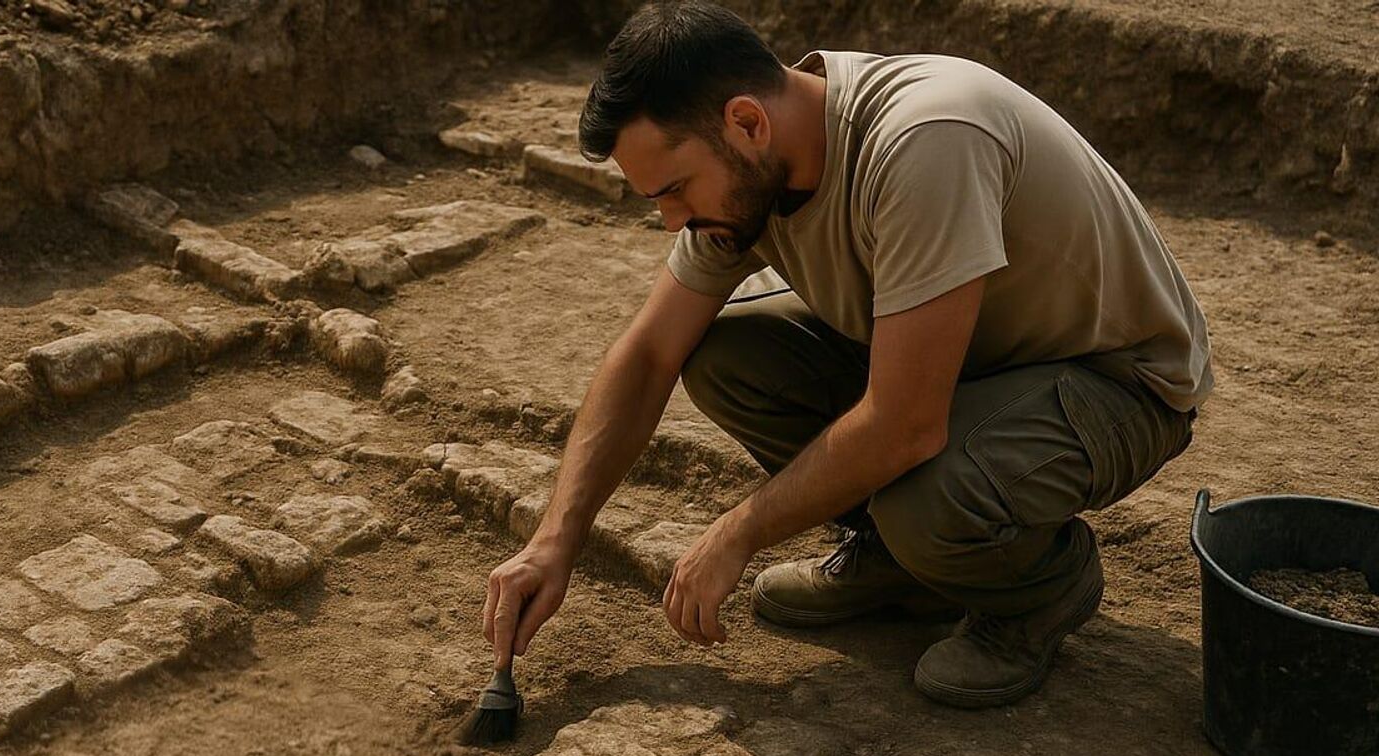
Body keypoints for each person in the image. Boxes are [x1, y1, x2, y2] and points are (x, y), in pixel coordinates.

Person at [482, 0, 1210, 707]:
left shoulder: (925, 140)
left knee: (929, 499)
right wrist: (555, 540)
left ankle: (1038, 590)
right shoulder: (754, 170)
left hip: (1118, 383)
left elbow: (906, 424)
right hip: (975, 369)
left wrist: (737, 533)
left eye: (674, 190)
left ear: (746, 122)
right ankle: (904, 565)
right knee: (727, 353)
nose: (672, 220)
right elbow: (648, 355)